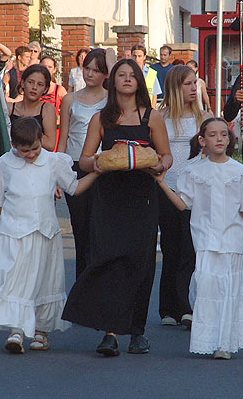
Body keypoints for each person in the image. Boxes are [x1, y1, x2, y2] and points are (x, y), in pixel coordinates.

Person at [62, 58, 173, 356]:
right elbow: (85, 159)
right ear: (114, 82)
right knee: (108, 261)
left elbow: (166, 156)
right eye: (121, 75)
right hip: (108, 199)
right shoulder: (101, 118)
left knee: (141, 264)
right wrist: (101, 162)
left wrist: (157, 164)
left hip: (143, 198)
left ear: (139, 81)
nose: (126, 79)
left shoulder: (152, 118)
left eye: (131, 75)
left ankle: (138, 332)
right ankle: (110, 332)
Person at [0, 117, 100, 353]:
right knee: (15, 280)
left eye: (35, 148)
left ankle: (41, 332)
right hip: (15, 233)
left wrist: (97, 172)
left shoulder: (53, 162)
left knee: (45, 281)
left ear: (41, 140)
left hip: (46, 234)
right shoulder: (3, 165)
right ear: (14, 145)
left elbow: (74, 188)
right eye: (25, 151)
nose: (32, 154)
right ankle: (17, 330)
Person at [155, 117, 243, 359]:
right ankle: (206, 340)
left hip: (232, 240)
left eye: (223, 134)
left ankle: (225, 343)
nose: (219, 139)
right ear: (202, 140)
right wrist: (162, 184)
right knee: (205, 287)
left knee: (228, 288)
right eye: (212, 135)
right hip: (204, 240)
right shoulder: (193, 171)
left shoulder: (240, 172)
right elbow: (183, 204)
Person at [157, 65, 211, 329]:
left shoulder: (204, 117)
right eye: (188, 84)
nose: (194, 88)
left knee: (189, 249)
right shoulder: (161, 116)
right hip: (167, 188)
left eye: (195, 83)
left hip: (194, 192)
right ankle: (167, 306)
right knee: (171, 247)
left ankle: (185, 306)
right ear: (176, 88)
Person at [58, 49, 111, 277]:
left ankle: (99, 284)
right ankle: (82, 284)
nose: (90, 74)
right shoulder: (70, 99)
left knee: (100, 230)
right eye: (87, 68)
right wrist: (58, 174)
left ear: (106, 74)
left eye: (97, 70)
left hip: (103, 167)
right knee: (80, 230)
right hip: (75, 167)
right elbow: (64, 139)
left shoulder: (112, 100)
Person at [7, 64, 57, 151]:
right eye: (30, 82)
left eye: (40, 84)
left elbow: (50, 144)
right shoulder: (10, 108)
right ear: (23, 83)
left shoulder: (47, 109)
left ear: (45, 89)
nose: (34, 87)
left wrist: (26, 131)